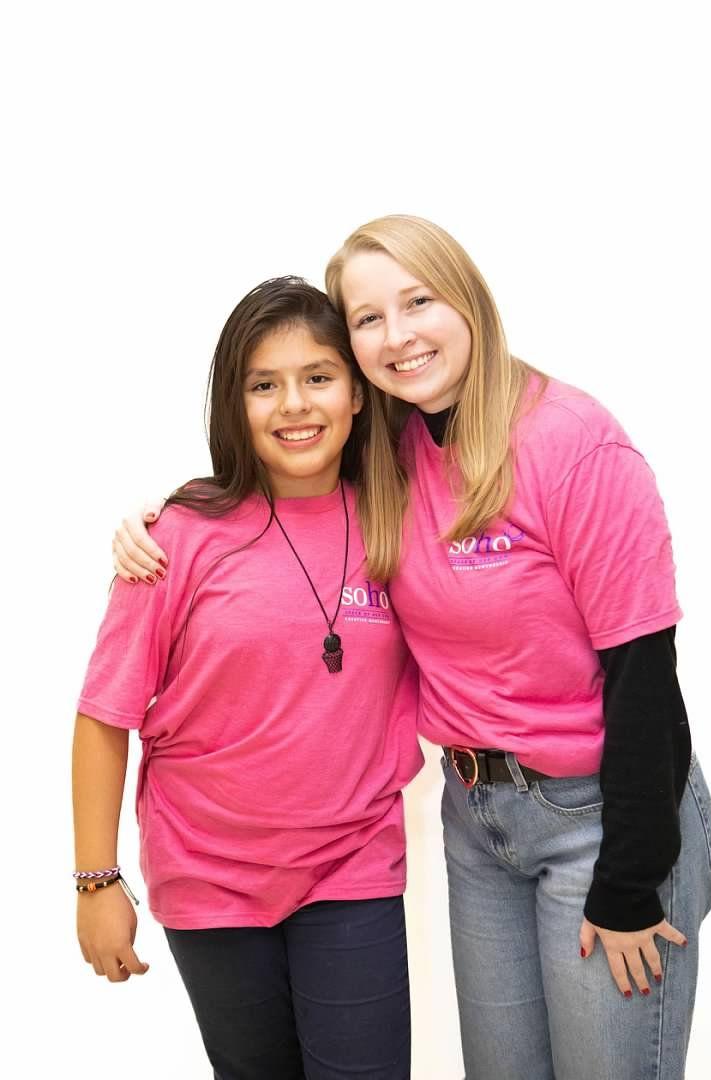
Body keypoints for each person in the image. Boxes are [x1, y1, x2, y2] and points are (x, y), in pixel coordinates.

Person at [112, 218, 711, 1080]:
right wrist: (165, 516)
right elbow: (283, 488)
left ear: (466, 298)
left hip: (605, 818)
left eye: (418, 302)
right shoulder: (392, 453)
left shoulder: (573, 443)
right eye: (368, 319)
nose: (397, 337)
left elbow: (646, 673)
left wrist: (631, 877)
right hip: (478, 821)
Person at [73, 276, 423, 1080]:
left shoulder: (399, 520)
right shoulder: (177, 537)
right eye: (264, 385)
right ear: (234, 402)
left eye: (318, 377)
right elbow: (103, 714)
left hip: (352, 863)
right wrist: (96, 881)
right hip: (210, 875)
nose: (294, 405)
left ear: (359, 393)